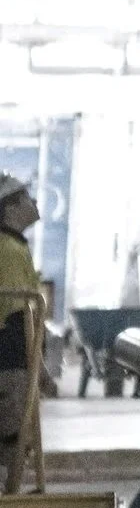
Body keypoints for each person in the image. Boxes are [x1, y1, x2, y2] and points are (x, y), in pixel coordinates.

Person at [0, 178, 45, 470]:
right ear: (11, 207)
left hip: (13, 357)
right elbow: (19, 318)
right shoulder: (9, 250)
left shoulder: (13, 246)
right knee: (12, 443)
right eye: (28, 197)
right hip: (11, 360)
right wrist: (37, 365)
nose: (35, 203)